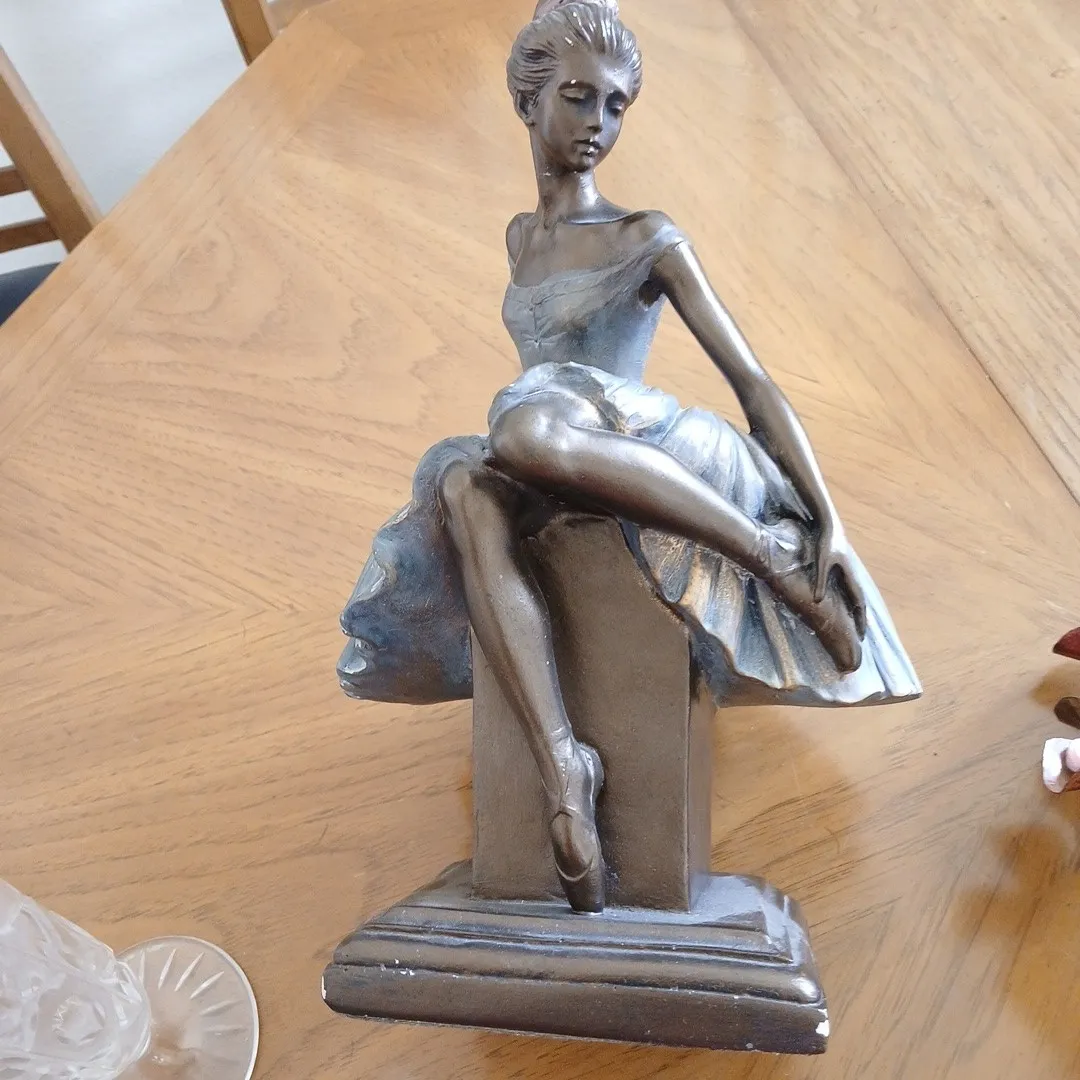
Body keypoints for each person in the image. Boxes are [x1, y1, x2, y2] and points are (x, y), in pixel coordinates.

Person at [338, 0, 920, 913]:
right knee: (463, 486)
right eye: (579, 97)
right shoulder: (519, 238)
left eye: (616, 105)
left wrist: (826, 520)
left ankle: (771, 562)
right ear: (527, 100)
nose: (600, 125)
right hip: (552, 448)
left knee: (518, 432)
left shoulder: (645, 235)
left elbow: (753, 381)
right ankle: (564, 771)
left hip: (635, 438)